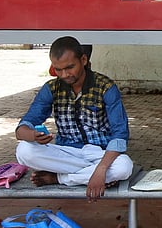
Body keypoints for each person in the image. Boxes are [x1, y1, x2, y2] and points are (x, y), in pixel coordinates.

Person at [15, 36, 133, 201]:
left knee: (124, 167)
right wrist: (31, 135)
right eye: (58, 69)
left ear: (83, 60)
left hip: (101, 153)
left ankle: (60, 178)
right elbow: (23, 127)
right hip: (67, 152)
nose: (64, 74)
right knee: (24, 151)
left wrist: (101, 169)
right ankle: (92, 175)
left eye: (70, 67)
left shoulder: (106, 87)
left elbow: (120, 134)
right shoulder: (51, 88)